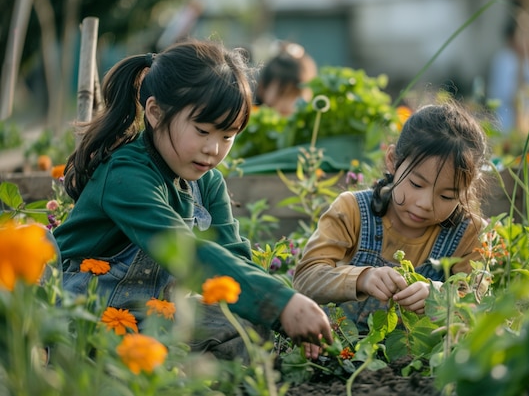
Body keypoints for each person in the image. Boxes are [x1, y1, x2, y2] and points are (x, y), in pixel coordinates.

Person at [53, 39, 332, 361]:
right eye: (202, 131)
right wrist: (282, 303)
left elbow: (233, 255)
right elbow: (184, 250)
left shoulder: (207, 181)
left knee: (249, 327)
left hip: (152, 311)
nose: (214, 149)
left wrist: (282, 310)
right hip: (85, 308)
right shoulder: (125, 174)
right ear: (156, 113)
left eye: (227, 136)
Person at [293, 102, 489, 345]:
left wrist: (438, 296)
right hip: (342, 354)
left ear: (467, 188)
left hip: (418, 367)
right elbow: (305, 279)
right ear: (392, 161)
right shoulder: (352, 210)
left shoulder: (469, 234)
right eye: (416, 184)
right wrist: (362, 278)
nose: (425, 203)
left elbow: (479, 305)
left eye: (447, 196)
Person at [254, 41, 317, 116]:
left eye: (296, 95)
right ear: (262, 88)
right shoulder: (248, 120)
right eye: (282, 93)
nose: (288, 105)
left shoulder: (314, 123)